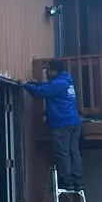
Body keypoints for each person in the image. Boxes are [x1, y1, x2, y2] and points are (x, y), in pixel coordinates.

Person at [20, 59, 83, 191]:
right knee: (73, 152)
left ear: (54, 71)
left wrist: (26, 85)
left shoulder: (58, 84)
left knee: (63, 153)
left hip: (62, 124)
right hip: (74, 123)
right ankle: (78, 181)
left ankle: (68, 183)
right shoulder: (65, 81)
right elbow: (49, 87)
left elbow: (39, 93)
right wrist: (38, 83)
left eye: (48, 70)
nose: (46, 73)